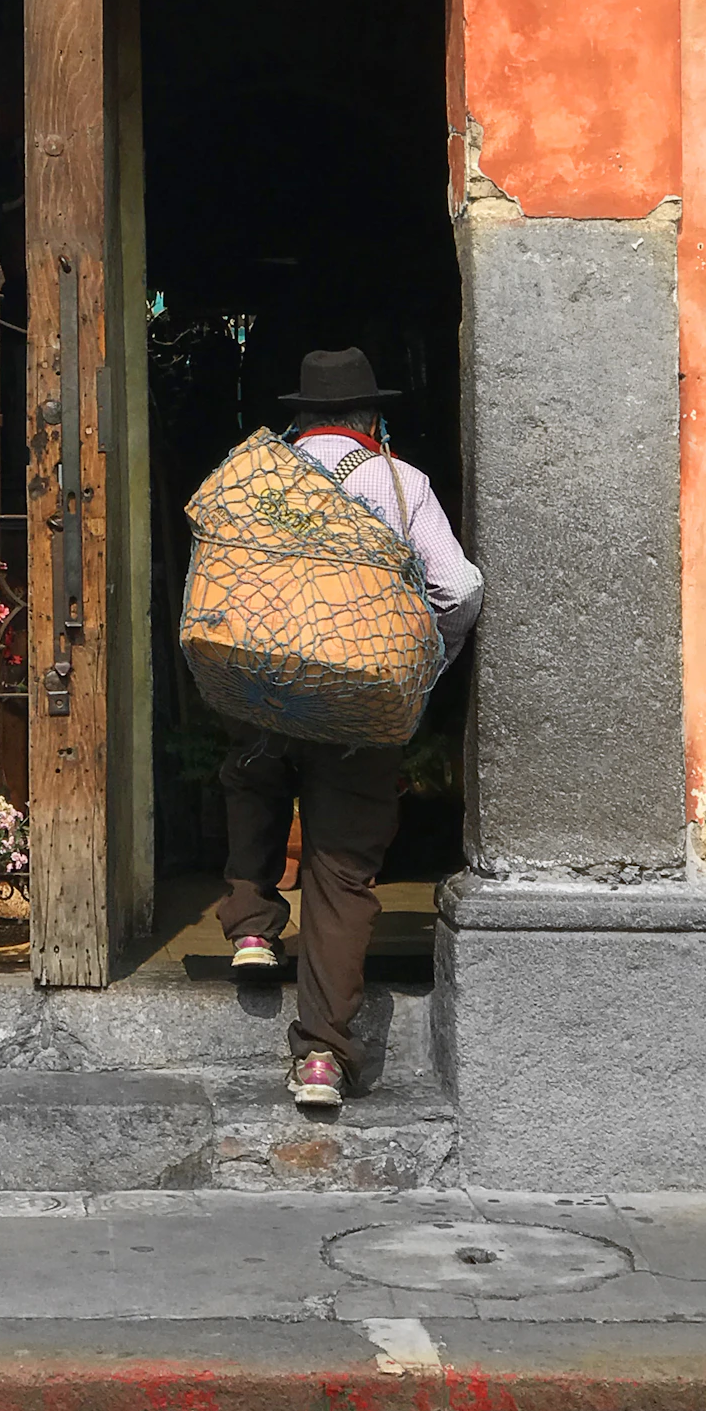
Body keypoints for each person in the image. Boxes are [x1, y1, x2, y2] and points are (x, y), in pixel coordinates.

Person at [214, 346, 483, 1110]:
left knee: (253, 776)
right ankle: (323, 1059)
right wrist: (426, 662)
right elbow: (456, 586)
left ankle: (253, 926)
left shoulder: (250, 477)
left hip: (260, 680)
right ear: (372, 420)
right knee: (339, 872)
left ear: (298, 419)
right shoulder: (398, 482)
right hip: (360, 697)